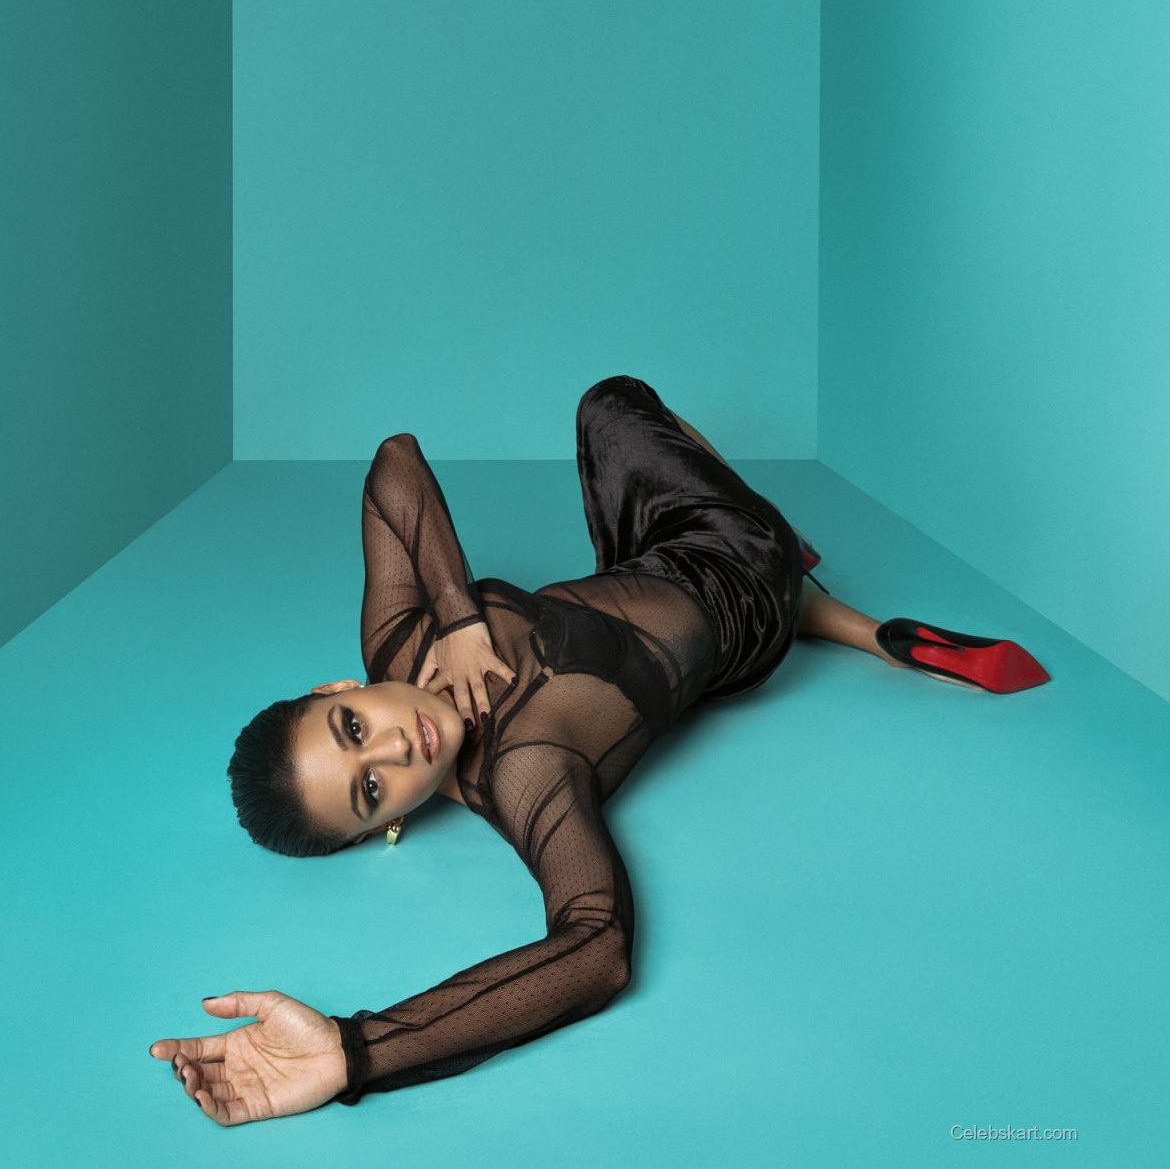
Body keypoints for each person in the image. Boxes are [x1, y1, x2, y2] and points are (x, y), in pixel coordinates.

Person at [148, 375, 1050, 1126]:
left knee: (605, 408)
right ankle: (811, 589)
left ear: (336, 686)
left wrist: (458, 619)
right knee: (620, 412)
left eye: (352, 727)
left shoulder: (397, 642)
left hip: (656, 559)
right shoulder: (525, 771)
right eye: (373, 788)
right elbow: (597, 945)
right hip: (740, 592)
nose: (393, 743)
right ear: (385, 828)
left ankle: (849, 620)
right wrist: (355, 1050)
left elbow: (395, 461)